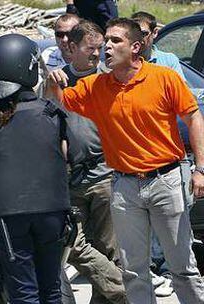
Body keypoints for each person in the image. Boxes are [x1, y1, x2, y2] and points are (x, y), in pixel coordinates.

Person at [49, 17, 204, 304]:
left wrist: (201, 170)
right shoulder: (97, 86)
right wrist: (52, 81)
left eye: (114, 41)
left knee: (182, 269)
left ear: (135, 47)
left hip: (166, 181)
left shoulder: (164, 78)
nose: (106, 47)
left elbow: (194, 117)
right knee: (133, 271)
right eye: (105, 40)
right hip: (123, 187)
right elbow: (59, 103)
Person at [0, 33, 71, 304]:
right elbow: (68, 154)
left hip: (8, 213)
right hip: (53, 209)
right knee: (51, 287)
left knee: (23, 290)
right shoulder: (51, 111)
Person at [56, 20, 127, 304]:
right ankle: (126, 291)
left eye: (100, 49)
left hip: (105, 176)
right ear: (72, 48)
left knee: (109, 249)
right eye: (91, 49)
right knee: (72, 244)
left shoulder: (109, 81)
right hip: (69, 180)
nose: (98, 54)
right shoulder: (55, 83)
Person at [132, 10, 192, 297]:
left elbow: (182, 105)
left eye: (142, 33)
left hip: (169, 155)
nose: (138, 39)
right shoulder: (122, 66)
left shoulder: (168, 63)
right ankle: (155, 268)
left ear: (153, 34)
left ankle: (171, 268)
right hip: (134, 158)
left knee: (176, 216)